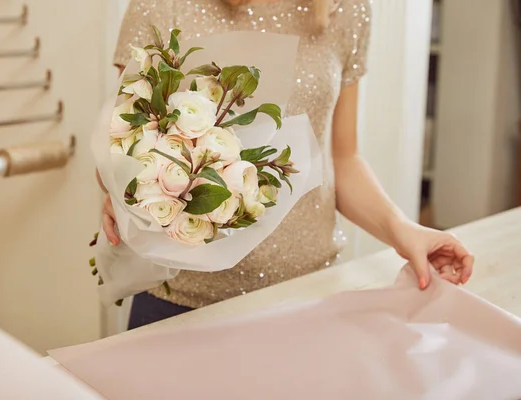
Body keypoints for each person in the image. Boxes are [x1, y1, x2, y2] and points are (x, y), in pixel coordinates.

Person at [101, 0, 474, 330]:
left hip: (308, 298)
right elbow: (121, 140)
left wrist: (403, 231)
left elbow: (342, 158)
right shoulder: (162, 5)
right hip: (176, 305)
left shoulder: (346, 9)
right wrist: (126, 190)